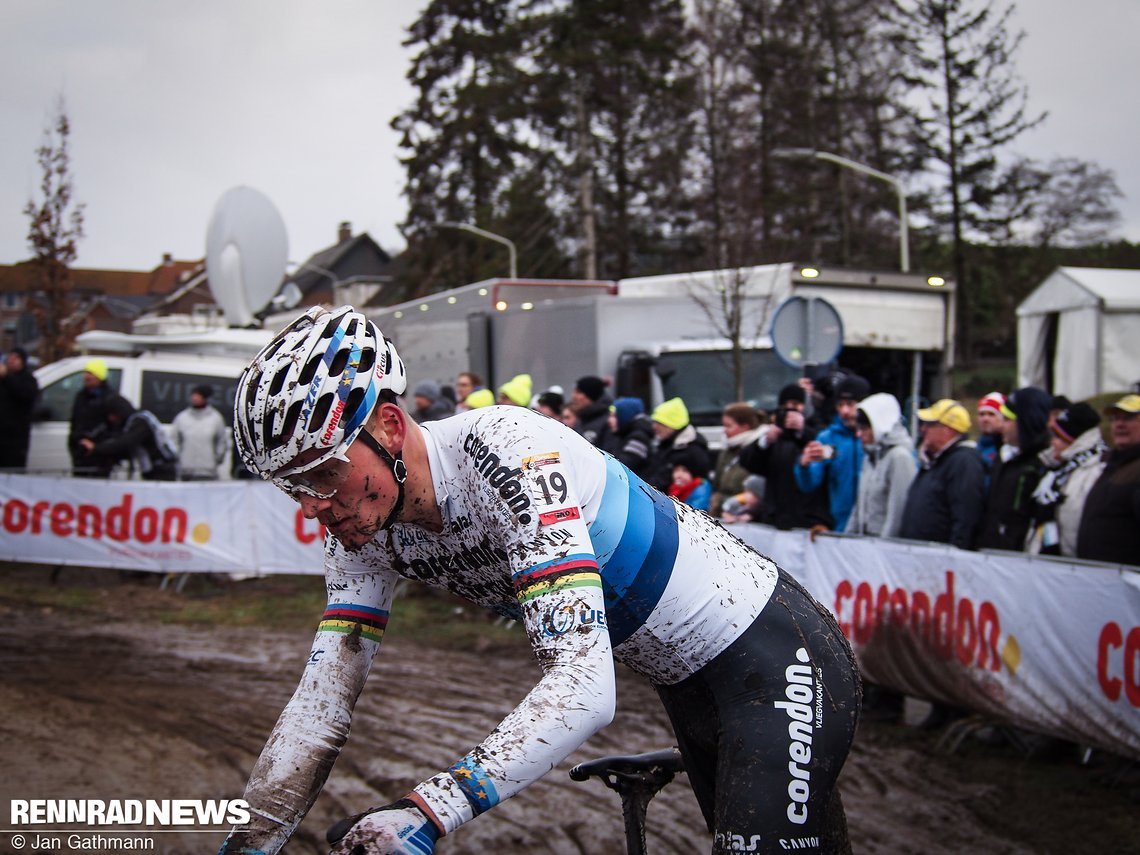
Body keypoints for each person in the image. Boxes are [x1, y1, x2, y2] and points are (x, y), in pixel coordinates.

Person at [219, 306, 862, 855]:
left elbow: (584, 686)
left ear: (389, 425)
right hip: (686, 683)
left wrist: (428, 810)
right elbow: (318, 709)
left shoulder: (504, 450)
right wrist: (248, 845)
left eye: (324, 474)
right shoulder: (362, 530)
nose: (313, 507)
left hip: (776, 657)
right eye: (292, 487)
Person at [739, 383, 833, 532]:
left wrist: (802, 431)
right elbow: (747, 462)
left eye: (795, 404)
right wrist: (765, 442)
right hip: (777, 520)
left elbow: (825, 453)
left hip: (808, 522)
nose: (790, 409)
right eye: (785, 405)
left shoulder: (820, 430)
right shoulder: (775, 436)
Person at [897, 399, 985, 551]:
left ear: (948, 430)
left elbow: (965, 517)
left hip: (940, 562)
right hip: (919, 555)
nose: (923, 429)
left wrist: (953, 556)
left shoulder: (963, 462)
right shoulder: (933, 461)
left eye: (930, 425)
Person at [976, 387, 1052, 552]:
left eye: (1008, 420)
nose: (1002, 426)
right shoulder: (1004, 458)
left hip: (1020, 562)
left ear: (1025, 423)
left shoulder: (1041, 466)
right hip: (992, 555)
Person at [1026, 402, 1106, 557]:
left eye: (1057, 437)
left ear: (1072, 440)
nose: (1052, 443)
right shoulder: (1056, 472)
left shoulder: (1095, 471)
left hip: (1074, 566)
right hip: (1049, 561)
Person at [793, 374, 870, 532]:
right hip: (840, 523)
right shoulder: (827, 437)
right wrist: (804, 465)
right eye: (840, 405)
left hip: (872, 523)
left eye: (850, 404)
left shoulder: (876, 437)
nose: (844, 411)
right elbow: (809, 483)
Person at [1076, 393, 1140, 566]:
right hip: (1100, 580)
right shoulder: (1112, 464)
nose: (1119, 424)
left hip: (1127, 584)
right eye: (1115, 419)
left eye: (1128, 418)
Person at [846, 393, 917, 538]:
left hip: (882, 547)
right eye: (858, 428)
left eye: (865, 428)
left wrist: (883, 548)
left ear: (880, 425)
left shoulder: (899, 457)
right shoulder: (869, 458)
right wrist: (846, 540)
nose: (859, 434)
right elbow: (859, 507)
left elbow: (897, 512)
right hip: (863, 543)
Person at [79, 394, 179, 481]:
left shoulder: (140, 422)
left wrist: (97, 448)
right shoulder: (136, 421)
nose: (111, 419)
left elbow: (126, 442)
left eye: (111, 414)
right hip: (156, 469)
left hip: (162, 470)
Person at [644, 397, 712, 495]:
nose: (654, 427)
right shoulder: (666, 444)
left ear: (672, 424)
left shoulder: (694, 452)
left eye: (659, 423)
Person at [710, 402, 764, 518]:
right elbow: (717, 485)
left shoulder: (758, 453)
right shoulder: (727, 450)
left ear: (745, 427)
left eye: (728, 426)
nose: (724, 430)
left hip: (742, 518)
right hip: (719, 515)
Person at [69, 358, 116, 477]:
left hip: (100, 455)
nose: (86, 377)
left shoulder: (110, 398)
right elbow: (75, 422)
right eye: (86, 373)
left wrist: (98, 447)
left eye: (90, 373)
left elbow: (112, 427)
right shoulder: (81, 396)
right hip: (80, 453)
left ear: (99, 376)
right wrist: (74, 444)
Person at [172, 384, 228, 480]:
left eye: (199, 396)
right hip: (186, 471)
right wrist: (178, 458)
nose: (195, 398)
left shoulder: (215, 418)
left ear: (206, 398)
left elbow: (222, 441)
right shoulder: (182, 418)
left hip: (208, 472)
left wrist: (217, 459)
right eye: (194, 395)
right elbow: (174, 440)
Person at [0, 347, 40, 470]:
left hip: (16, 441)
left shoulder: (28, 380)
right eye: (10, 357)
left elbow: (24, 394)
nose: (12, 360)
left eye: (16, 358)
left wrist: (6, 377)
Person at [602, 396, 655, 477]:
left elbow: (622, 466)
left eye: (614, 416)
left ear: (624, 416)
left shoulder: (639, 438)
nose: (609, 420)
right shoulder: (622, 434)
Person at [569, 375, 612, 448]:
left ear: (591, 395)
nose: (573, 396)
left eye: (579, 392)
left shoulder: (608, 422)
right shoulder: (581, 419)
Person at [975, 391, 1006, 478]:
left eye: (991, 414)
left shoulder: (1007, 450)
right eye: (982, 414)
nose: (985, 419)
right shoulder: (975, 447)